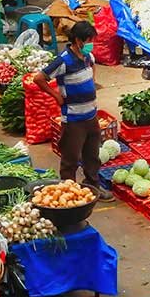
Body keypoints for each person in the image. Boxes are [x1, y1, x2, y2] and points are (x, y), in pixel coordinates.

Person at [34, 21, 114, 201]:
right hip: (74, 119)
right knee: (70, 159)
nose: (91, 44)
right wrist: (56, 95)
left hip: (91, 116)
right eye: (88, 40)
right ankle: (69, 193)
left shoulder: (87, 57)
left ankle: (93, 186)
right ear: (78, 40)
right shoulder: (64, 60)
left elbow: (93, 65)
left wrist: (91, 80)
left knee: (92, 156)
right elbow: (39, 78)